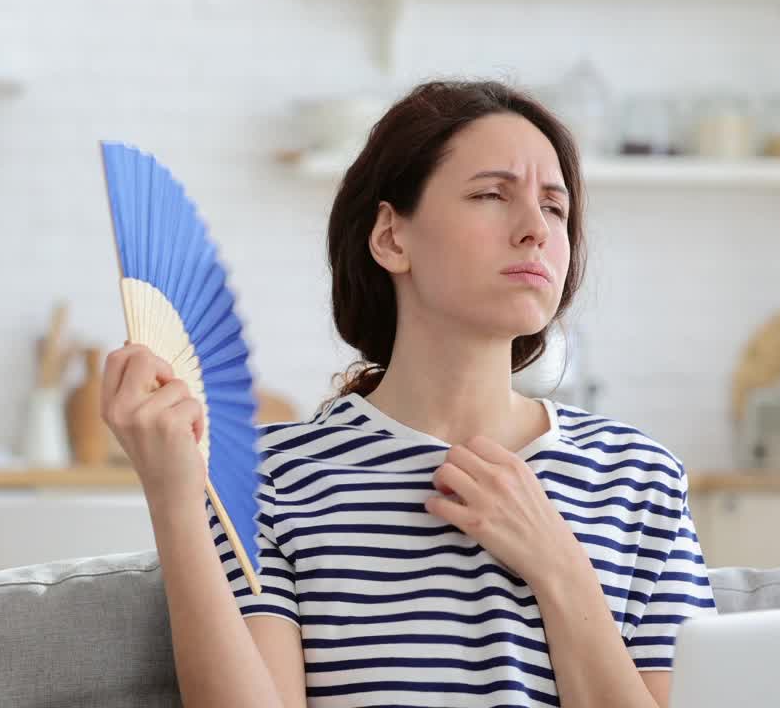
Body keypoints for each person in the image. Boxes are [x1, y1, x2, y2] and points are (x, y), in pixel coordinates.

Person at [102, 80, 716, 708]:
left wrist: (559, 568)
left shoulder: (639, 480)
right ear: (392, 237)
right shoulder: (268, 479)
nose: (536, 229)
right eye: (491, 195)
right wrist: (176, 498)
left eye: (555, 208)